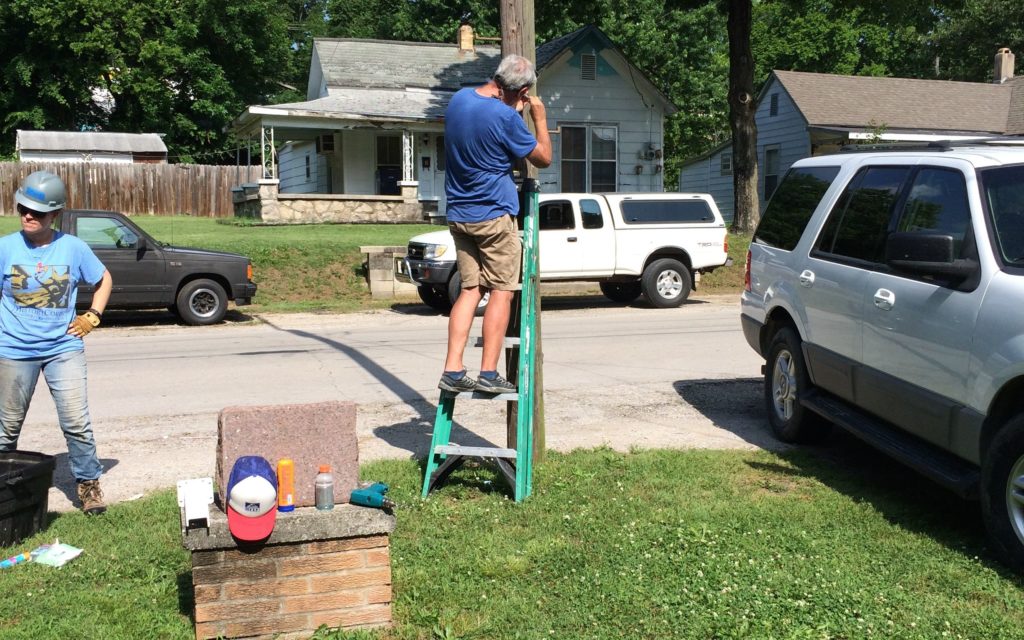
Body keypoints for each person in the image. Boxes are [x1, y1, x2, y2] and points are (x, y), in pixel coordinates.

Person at [0, 171, 113, 515]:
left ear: (55, 214)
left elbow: (104, 279)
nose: (28, 216)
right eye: (23, 208)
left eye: (37, 211)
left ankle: (88, 484)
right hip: (14, 351)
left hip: (63, 349)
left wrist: (92, 315)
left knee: (76, 421)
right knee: (6, 427)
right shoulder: (5, 247)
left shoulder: (73, 248)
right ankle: (3, 489)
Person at [438, 54, 552, 394]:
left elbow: (484, 123)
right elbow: (543, 158)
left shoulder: (460, 99)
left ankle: (453, 369)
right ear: (525, 90)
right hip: (493, 217)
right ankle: (489, 373)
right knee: (501, 292)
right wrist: (539, 119)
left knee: (471, 290)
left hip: (459, 215)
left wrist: (512, 108)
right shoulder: (506, 118)